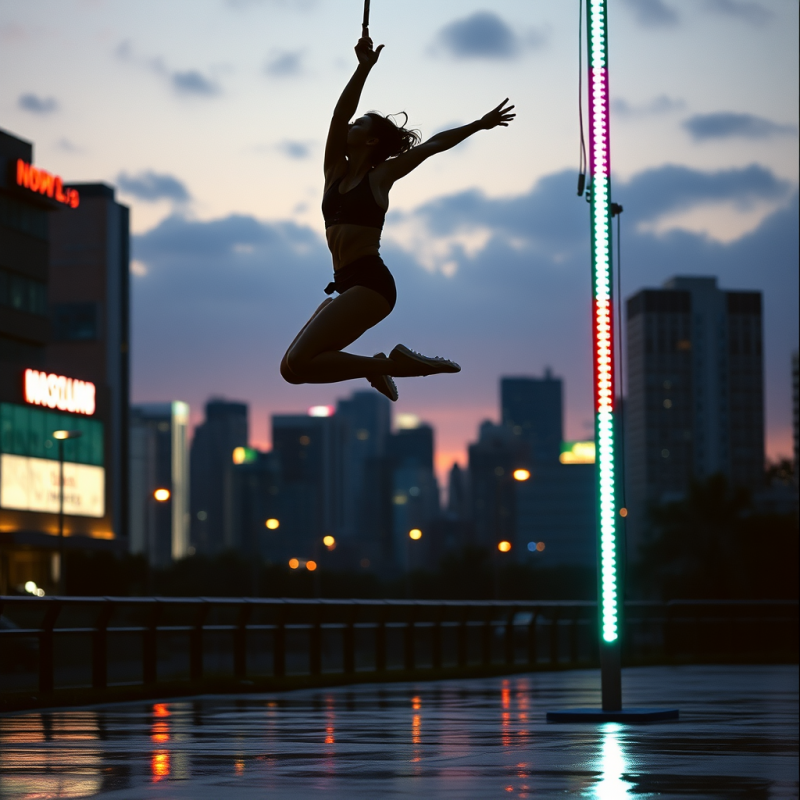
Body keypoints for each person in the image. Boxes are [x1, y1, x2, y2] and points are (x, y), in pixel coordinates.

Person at [280, 32, 515, 401]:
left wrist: (479, 124)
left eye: (359, 125)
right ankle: (382, 365)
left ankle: (395, 366)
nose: (349, 127)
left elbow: (432, 146)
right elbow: (339, 114)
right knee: (291, 371)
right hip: (346, 281)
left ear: (372, 142)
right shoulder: (334, 172)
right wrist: (362, 69)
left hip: (372, 284)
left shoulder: (380, 176)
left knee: (300, 359)